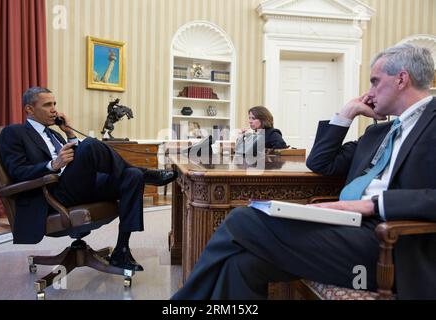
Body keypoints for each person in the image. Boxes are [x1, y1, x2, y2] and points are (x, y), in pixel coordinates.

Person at [171, 44, 436, 299]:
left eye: (375, 81)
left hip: (390, 244)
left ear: (401, 79)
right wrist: (347, 112)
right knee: (240, 265)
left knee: (242, 219)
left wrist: (372, 206)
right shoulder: (377, 132)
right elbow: (321, 162)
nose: (369, 91)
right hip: (346, 231)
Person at [0, 87, 177, 271]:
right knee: (91, 144)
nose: (54, 109)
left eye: (54, 104)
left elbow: (79, 158)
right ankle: (147, 173)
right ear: (29, 109)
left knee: (133, 176)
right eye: (47, 105)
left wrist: (69, 133)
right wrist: (53, 164)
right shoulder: (14, 132)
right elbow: (17, 171)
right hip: (52, 194)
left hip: (78, 186)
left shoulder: (55, 133)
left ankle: (121, 250)